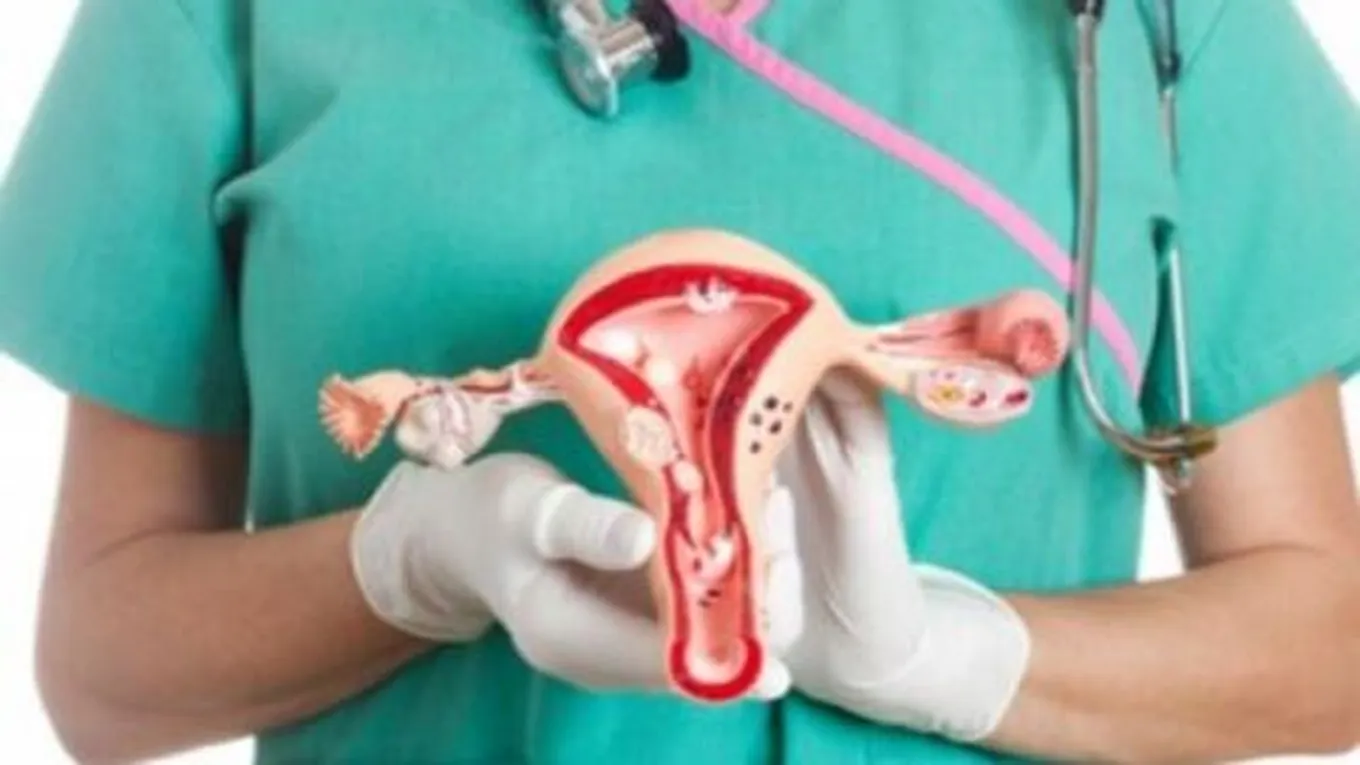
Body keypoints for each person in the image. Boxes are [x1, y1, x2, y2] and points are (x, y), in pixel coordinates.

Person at [1, 0, 1358, 762]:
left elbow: (1328, 643)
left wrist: (959, 663)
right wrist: (409, 568)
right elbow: (102, 674)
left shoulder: (1158, 25)